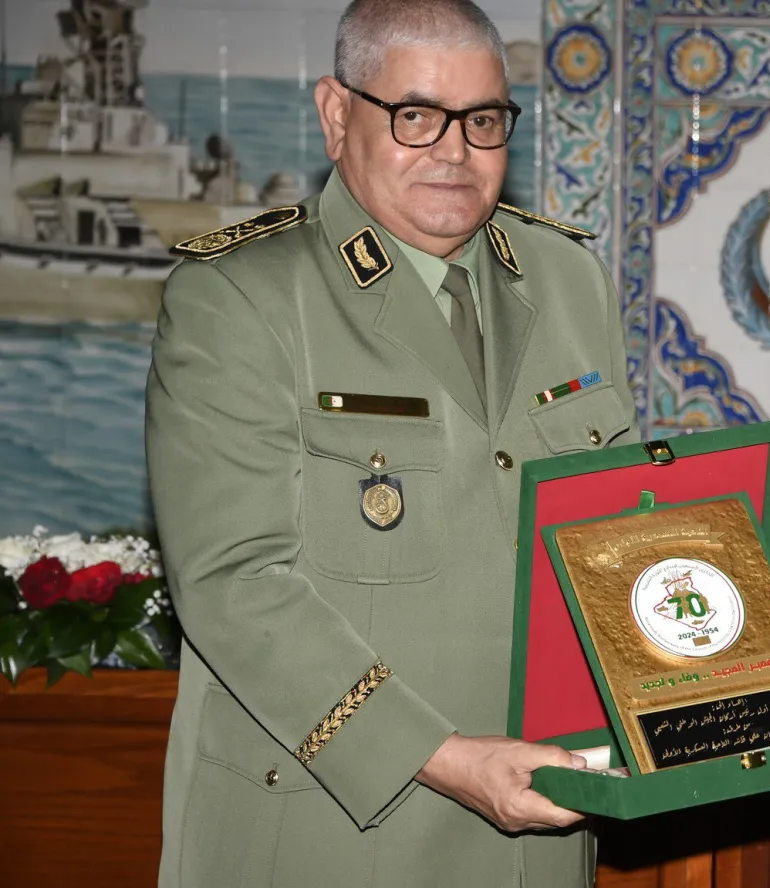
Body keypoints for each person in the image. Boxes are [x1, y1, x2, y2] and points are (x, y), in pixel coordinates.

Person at [145, 1, 634, 885]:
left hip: (542, 827)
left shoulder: (568, 282)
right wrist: (447, 758)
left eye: (483, 120)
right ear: (337, 115)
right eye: (415, 116)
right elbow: (234, 586)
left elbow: (613, 536)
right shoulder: (243, 297)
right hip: (328, 828)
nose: (454, 151)